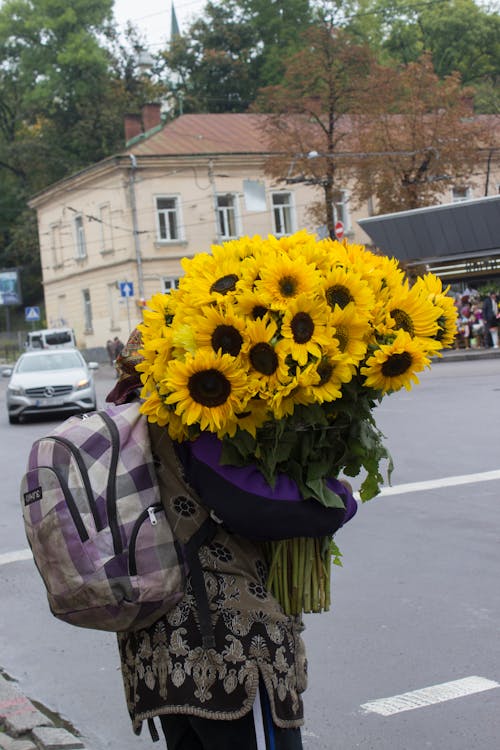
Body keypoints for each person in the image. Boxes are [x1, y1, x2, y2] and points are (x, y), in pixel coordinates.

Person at [106, 330, 357, 750]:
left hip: (156, 648)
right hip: (223, 648)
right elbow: (250, 502)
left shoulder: (127, 424)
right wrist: (336, 501)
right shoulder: (186, 420)